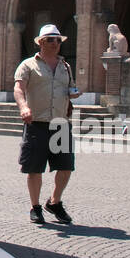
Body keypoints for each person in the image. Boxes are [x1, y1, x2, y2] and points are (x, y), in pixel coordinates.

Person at [13, 24, 78, 225]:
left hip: (60, 123)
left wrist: (73, 93)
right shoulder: (28, 65)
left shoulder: (65, 66)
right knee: (34, 168)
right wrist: (23, 107)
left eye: (58, 40)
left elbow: (70, 87)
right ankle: (35, 207)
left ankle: (54, 202)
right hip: (37, 123)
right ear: (41, 42)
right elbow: (18, 89)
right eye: (51, 39)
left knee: (66, 167)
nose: (56, 43)